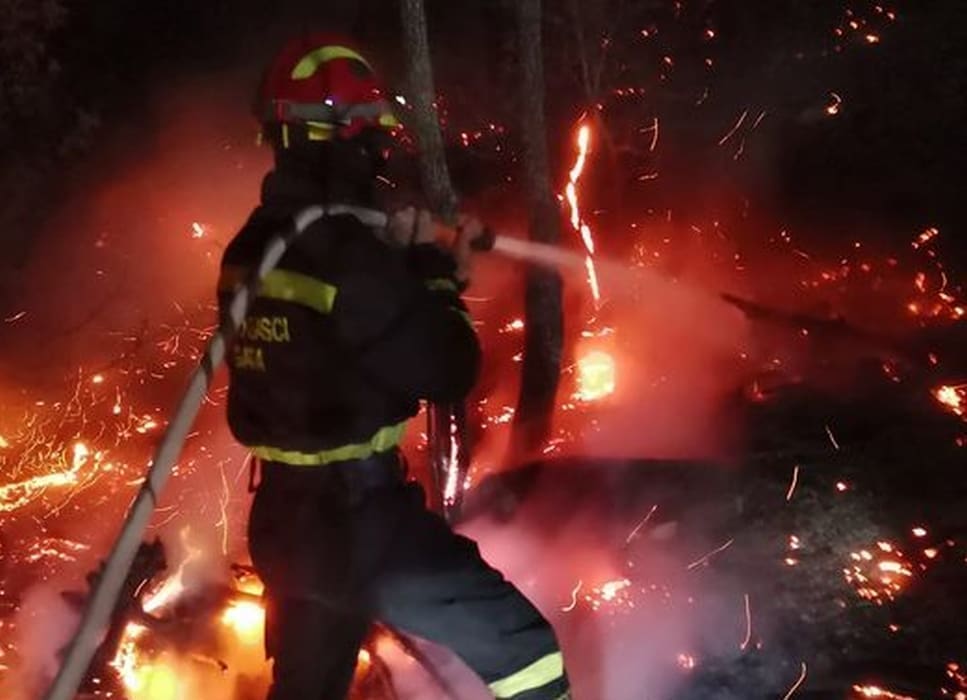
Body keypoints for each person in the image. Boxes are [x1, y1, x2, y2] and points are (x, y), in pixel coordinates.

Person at [217, 33, 571, 700]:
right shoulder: (346, 252)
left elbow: (332, 339)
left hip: (284, 523)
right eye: (371, 134)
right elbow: (445, 369)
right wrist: (437, 278)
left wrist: (401, 264)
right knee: (526, 654)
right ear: (347, 136)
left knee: (306, 690)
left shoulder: (253, 245)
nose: (379, 150)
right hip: (359, 522)